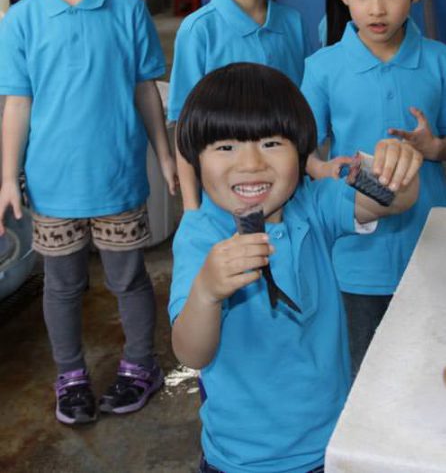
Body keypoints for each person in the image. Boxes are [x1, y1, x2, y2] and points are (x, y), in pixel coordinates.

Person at [170, 62, 422, 473]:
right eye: (225, 146)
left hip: (330, 442)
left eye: (271, 143)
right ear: (195, 158)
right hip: (241, 458)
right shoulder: (200, 236)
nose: (250, 164)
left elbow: (393, 201)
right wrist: (205, 292)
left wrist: (396, 169)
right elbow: (191, 352)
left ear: (302, 154)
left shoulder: (314, 205)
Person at [0, 0, 176, 425]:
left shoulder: (127, 10)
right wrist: (8, 175)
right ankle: (70, 374)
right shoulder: (23, 20)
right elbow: (17, 104)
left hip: (117, 179)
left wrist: (165, 154)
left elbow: (147, 88)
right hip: (51, 184)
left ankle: (139, 364)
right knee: (62, 284)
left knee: (128, 278)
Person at [302, 0, 446, 377]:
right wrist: (323, 169)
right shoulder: (323, 68)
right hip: (354, 251)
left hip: (429, 240)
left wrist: (434, 147)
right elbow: (301, 150)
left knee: (426, 360)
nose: (376, 8)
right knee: (361, 369)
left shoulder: (440, 61)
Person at [168, 0, 308, 212]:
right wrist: (192, 209)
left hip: (284, 196)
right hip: (222, 198)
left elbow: (301, 116)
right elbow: (184, 128)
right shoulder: (199, 30)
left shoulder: (293, 24)